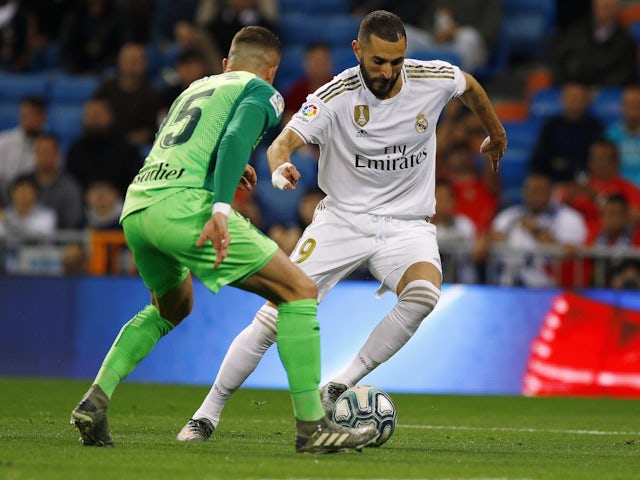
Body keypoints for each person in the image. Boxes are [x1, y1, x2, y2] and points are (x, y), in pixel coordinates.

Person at [177, 10, 506, 442]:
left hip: (408, 224)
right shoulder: (335, 96)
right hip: (342, 221)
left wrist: (496, 132)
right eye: (378, 62)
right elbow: (283, 143)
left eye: (396, 61)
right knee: (274, 319)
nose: (388, 71)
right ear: (357, 51)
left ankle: (339, 384)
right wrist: (280, 170)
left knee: (425, 294)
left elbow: (470, 86)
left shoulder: (431, 77)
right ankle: (206, 413)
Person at [69, 25, 378, 454]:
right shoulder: (263, 92)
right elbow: (234, 136)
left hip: (138, 207)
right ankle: (312, 426)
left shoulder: (195, 87)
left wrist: (221, 173)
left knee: (172, 306)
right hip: (186, 209)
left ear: (224, 63)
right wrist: (219, 207)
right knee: (299, 290)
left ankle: (95, 400)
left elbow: (187, 150)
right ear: (271, 71)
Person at [489, 173, 587, 288]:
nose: (534, 195)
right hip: (509, 288)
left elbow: (569, 255)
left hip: (549, 289)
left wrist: (536, 231)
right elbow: (492, 240)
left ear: (551, 192)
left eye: (539, 190)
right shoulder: (508, 216)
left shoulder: (569, 218)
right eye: (530, 190)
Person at [549, 0, 638, 87]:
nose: (604, 11)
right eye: (601, 6)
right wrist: (567, 84)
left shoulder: (626, 40)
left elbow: (625, 73)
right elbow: (558, 61)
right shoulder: (575, 33)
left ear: (617, 9)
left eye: (608, 7)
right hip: (572, 90)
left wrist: (595, 89)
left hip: (607, 92)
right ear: (594, 7)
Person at [528, 82, 603, 184]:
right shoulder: (550, 126)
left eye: (578, 97)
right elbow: (538, 160)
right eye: (570, 97)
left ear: (586, 100)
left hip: (584, 183)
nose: (574, 101)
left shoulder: (595, 128)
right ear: (562, 99)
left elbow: (595, 161)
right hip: (552, 183)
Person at [66, 97, 142, 198]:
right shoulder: (76, 150)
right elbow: (71, 182)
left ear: (110, 116)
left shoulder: (128, 151)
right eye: (90, 114)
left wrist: (114, 194)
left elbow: (136, 182)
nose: (94, 119)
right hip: (83, 204)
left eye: (98, 114)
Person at [93, 43, 162, 147]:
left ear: (144, 64)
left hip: (134, 150)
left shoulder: (152, 94)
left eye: (135, 60)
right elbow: (93, 115)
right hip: (104, 144)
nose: (130, 64)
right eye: (127, 59)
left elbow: (152, 130)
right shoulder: (106, 88)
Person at [27, 133, 84, 230]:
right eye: (40, 152)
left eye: (48, 152)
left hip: (59, 242)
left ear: (57, 154)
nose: (44, 156)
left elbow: (73, 223)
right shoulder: (24, 183)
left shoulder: (70, 187)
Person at [0, 96, 47, 206]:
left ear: (42, 118)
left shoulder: (48, 145)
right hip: (5, 201)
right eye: (24, 115)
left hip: (39, 203)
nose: (26, 119)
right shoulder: (4, 142)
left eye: (32, 115)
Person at [605, 84, 640, 187]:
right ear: (622, 106)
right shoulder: (610, 134)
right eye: (629, 104)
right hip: (619, 191)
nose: (633, 108)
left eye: (637, 104)